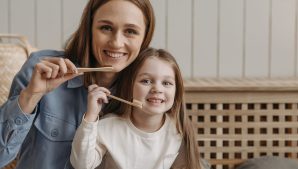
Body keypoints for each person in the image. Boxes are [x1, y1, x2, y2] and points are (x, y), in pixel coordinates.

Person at [0, 0, 155, 168]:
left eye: (130, 31)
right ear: (89, 29)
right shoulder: (40, 69)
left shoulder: (148, 94)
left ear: (144, 38)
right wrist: (30, 96)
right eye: (106, 28)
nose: (116, 42)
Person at [70, 47, 207, 169]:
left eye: (166, 83)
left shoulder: (178, 130)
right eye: (146, 81)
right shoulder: (107, 127)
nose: (157, 89)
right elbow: (81, 165)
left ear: (176, 91)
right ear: (129, 86)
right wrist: (91, 116)